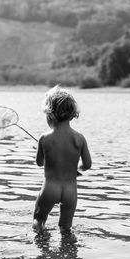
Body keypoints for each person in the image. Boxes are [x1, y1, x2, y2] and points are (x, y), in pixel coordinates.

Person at [33, 85, 92, 233]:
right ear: (72, 114)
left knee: (38, 221)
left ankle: (42, 249)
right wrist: (77, 169)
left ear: (50, 114)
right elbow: (87, 164)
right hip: (70, 191)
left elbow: (39, 163)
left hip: (50, 189)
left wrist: (45, 155)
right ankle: (69, 250)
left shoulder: (45, 138)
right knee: (66, 228)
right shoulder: (79, 138)